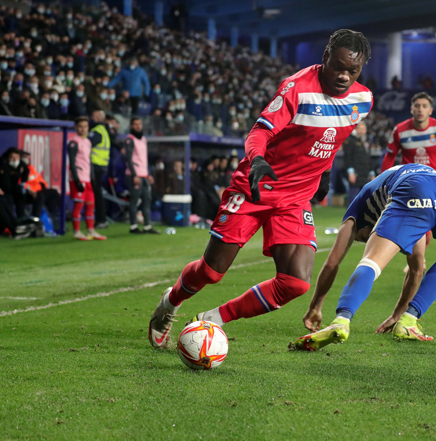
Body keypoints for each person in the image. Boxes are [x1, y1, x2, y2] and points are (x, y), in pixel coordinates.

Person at [148, 29, 373, 348]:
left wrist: (323, 171)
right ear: (325, 58)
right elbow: (259, 132)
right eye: (338, 66)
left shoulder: (362, 99)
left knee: (295, 282)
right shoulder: (297, 89)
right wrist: (256, 161)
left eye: (353, 70)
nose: (344, 76)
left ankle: (212, 320)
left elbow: (333, 138)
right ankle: (170, 303)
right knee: (212, 272)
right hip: (255, 187)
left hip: (295, 198)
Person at [292, 164, 436, 351]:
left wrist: (315, 306)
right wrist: (399, 315)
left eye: (360, 237)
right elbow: (416, 268)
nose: (362, 239)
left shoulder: (357, 210)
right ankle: (408, 322)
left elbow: (332, 263)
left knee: (371, 261)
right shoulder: (388, 195)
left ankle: (341, 320)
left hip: (413, 187)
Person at [381, 92, 436, 190]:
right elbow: (389, 157)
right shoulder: (399, 131)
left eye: (424, 106)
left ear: (430, 111)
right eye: (417, 106)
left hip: (435, 185)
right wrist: (382, 184)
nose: (420, 110)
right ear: (412, 109)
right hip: (408, 186)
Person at [67, 117, 106, 241]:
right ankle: (77, 231)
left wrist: (92, 178)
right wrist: (77, 180)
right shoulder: (73, 142)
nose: (83, 129)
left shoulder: (88, 142)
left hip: (88, 178)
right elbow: (72, 163)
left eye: (85, 127)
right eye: (80, 126)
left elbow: (88, 161)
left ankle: (91, 230)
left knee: (91, 205)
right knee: (79, 205)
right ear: (75, 127)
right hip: (78, 178)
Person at [124, 117, 159, 234]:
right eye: (135, 124)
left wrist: (148, 173)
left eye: (140, 124)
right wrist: (134, 175)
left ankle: (147, 225)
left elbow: (144, 158)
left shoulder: (143, 139)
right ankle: (133, 226)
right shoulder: (130, 139)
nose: (138, 126)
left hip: (144, 174)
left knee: (147, 200)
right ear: (131, 126)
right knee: (134, 200)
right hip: (135, 175)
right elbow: (129, 158)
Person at [88, 110, 110, 228]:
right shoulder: (104, 130)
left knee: (95, 193)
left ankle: (100, 220)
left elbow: (87, 144)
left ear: (96, 118)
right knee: (98, 193)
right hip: (102, 165)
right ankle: (101, 219)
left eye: (92, 116)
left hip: (95, 165)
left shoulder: (96, 132)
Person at [342, 121, 373, 205]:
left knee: (365, 198)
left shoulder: (366, 141)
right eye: (361, 129)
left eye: (364, 129)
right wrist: (351, 172)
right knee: (353, 196)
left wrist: (371, 172)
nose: (362, 131)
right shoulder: (351, 140)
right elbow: (348, 157)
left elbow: (368, 158)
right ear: (356, 129)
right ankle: (350, 216)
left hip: (365, 173)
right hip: (356, 173)